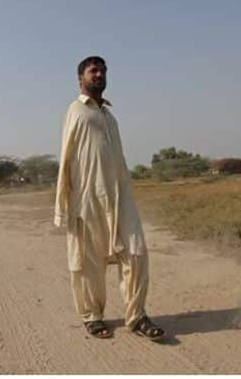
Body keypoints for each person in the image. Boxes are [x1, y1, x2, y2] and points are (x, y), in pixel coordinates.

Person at [54, 56, 164, 341]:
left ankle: (136, 316)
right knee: (89, 263)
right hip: (87, 198)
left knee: (136, 254)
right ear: (80, 78)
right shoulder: (76, 110)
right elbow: (65, 158)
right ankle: (92, 316)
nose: (99, 74)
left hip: (119, 198)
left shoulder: (110, 117)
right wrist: (62, 205)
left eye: (103, 70)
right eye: (93, 71)